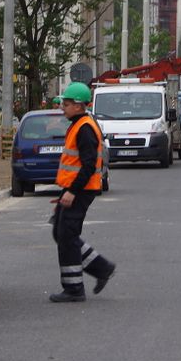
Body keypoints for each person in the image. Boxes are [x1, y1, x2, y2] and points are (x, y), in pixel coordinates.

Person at [48, 82, 116, 303]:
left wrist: (72, 192)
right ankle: (100, 268)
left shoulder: (85, 128)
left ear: (78, 106)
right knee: (61, 234)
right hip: (75, 189)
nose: (62, 108)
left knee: (67, 235)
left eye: (66, 104)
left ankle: (75, 288)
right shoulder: (79, 124)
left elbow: (87, 166)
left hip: (80, 190)